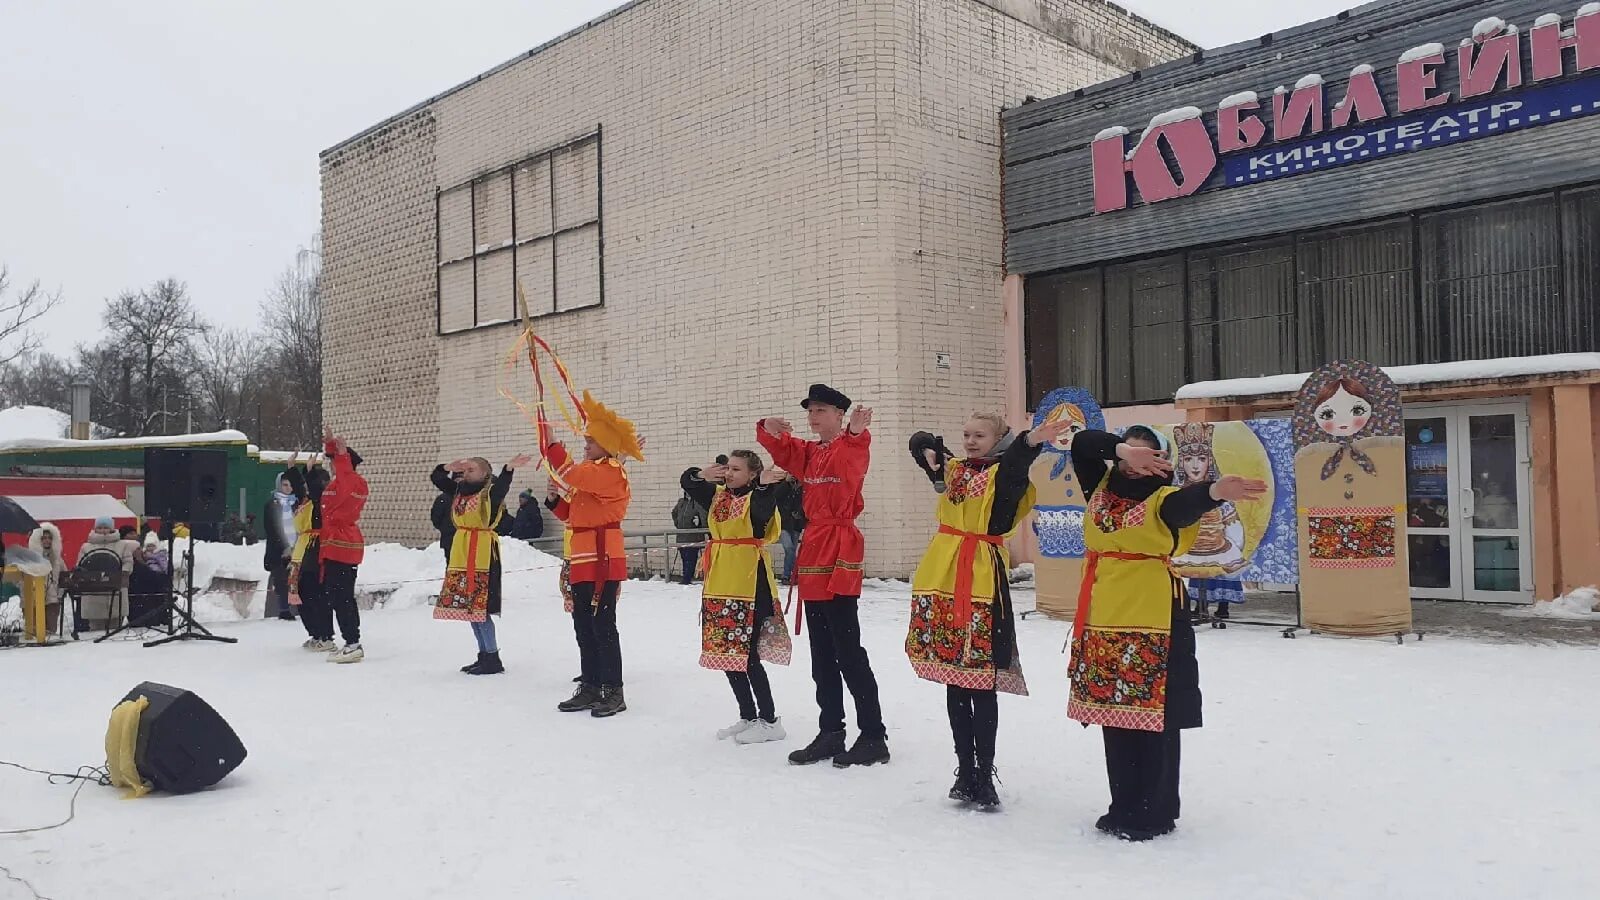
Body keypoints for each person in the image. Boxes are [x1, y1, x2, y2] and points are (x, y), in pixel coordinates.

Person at [1067, 425, 1265, 841]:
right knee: (1115, 713)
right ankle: (1122, 803)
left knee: (1154, 714)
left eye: (1149, 456)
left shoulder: (1163, 498)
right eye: (1129, 456)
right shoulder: (1100, 484)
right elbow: (1083, 444)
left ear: (1163, 461)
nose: (1138, 464)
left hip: (1153, 614)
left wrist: (1213, 491)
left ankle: (1153, 811)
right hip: (1104, 616)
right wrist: (1121, 451)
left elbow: (1184, 505)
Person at [905, 412, 1072, 808]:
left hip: (981, 581)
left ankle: (985, 770)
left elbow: (1016, 463)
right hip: (941, 579)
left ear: (1000, 439)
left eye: (979, 435)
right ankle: (964, 769)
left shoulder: (1006, 476)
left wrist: (1031, 442)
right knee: (953, 678)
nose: (970, 441)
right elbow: (917, 442)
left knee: (980, 679)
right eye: (965, 434)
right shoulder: (956, 470)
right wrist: (930, 448)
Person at [756, 383, 887, 768]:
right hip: (814, 548)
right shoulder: (811, 454)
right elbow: (782, 448)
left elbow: (855, 455)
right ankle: (831, 730)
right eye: (810, 411)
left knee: (848, 649)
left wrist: (857, 432)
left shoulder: (850, 445)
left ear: (839, 415)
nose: (813, 418)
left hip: (840, 546)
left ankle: (873, 734)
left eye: (822, 411)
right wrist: (768, 425)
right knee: (821, 653)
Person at [681, 451, 794, 744]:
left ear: (752, 474)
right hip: (720, 584)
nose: (729, 473)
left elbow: (760, 511)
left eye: (736, 469)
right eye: (727, 468)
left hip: (749, 586)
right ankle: (748, 715)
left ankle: (769, 720)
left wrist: (766, 486)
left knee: (748, 656)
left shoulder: (757, 497)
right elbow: (688, 483)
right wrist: (699, 475)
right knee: (728, 654)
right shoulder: (719, 496)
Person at [545, 391, 643, 718]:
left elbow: (570, 472)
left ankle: (613, 690)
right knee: (583, 625)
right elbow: (575, 516)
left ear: (606, 444)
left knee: (603, 624)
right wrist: (555, 503)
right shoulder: (595, 472)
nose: (585, 444)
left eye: (590, 440)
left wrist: (551, 442)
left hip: (602, 558)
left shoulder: (610, 470)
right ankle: (590, 685)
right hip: (584, 557)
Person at [431, 455, 531, 675]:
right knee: (470, 608)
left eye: (472, 470)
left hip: (482, 554)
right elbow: (436, 478)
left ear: (485, 474)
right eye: (465, 470)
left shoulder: (489, 493)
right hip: (462, 553)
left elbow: (502, 488)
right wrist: (447, 467)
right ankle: (483, 653)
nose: (466, 474)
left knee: (481, 608)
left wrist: (508, 469)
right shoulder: (458, 491)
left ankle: (492, 656)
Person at [317, 427, 369, 664]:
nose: (333, 467)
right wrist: (330, 448)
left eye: (336, 462)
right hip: (332, 544)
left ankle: (353, 641)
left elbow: (346, 481)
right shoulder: (339, 483)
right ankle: (349, 640)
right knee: (336, 597)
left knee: (343, 597)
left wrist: (340, 453)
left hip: (344, 545)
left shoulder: (355, 482)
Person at [672, 456, 720, 585]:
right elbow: (674, 513)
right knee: (684, 557)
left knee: (691, 558)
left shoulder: (698, 502)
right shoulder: (682, 502)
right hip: (682, 535)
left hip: (694, 535)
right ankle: (686, 576)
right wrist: (678, 523)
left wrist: (699, 524)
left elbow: (704, 515)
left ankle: (687, 578)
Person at [263, 472, 299, 621]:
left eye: (290, 485)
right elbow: (271, 529)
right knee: (281, 580)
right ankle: (284, 609)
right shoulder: (272, 504)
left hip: (297, 548)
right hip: (278, 551)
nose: (288, 488)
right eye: (285, 484)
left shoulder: (296, 503)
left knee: (295, 579)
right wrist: (284, 546)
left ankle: (298, 608)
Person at [26, 523, 65, 635]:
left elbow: (65, 576)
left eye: (49, 538)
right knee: (35, 632)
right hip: (34, 599)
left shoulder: (58, 559)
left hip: (53, 599)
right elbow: (21, 579)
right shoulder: (29, 559)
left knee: (51, 631)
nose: (47, 541)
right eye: (43, 538)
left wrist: (59, 593)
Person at [778, 474, 804, 585]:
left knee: (791, 549)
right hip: (783, 523)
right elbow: (776, 496)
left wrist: (800, 514)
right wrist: (786, 482)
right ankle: (790, 574)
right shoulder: (784, 485)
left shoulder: (803, 488)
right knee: (790, 548)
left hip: (796, 524)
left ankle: (789, 575)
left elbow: (805, 503)